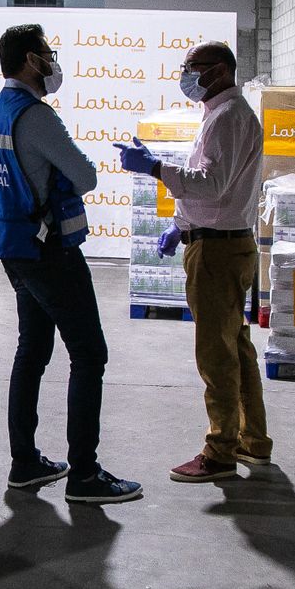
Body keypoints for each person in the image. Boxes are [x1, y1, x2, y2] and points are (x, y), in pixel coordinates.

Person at [0, 24, 143, 505]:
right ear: (30, 60)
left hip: (16, 249)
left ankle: (24, 463)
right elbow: (84, 176)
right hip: (49, 252)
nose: (52, 61)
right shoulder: (36, 116)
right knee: (90, 354)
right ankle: (84, 476)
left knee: (33, 350)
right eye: (47, 53)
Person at [115, 41, 273, 482]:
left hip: (218, 253)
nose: (186, 75)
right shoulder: (223, 115)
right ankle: (252, 440)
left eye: (192, 68)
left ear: (219, 70)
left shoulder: (228, 118)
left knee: (215, 355)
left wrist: (153, 168)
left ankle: (219, 450)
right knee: (236, 348)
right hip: (221, 241)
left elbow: (213, 185)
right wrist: (181, 226)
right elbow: (217, 191)